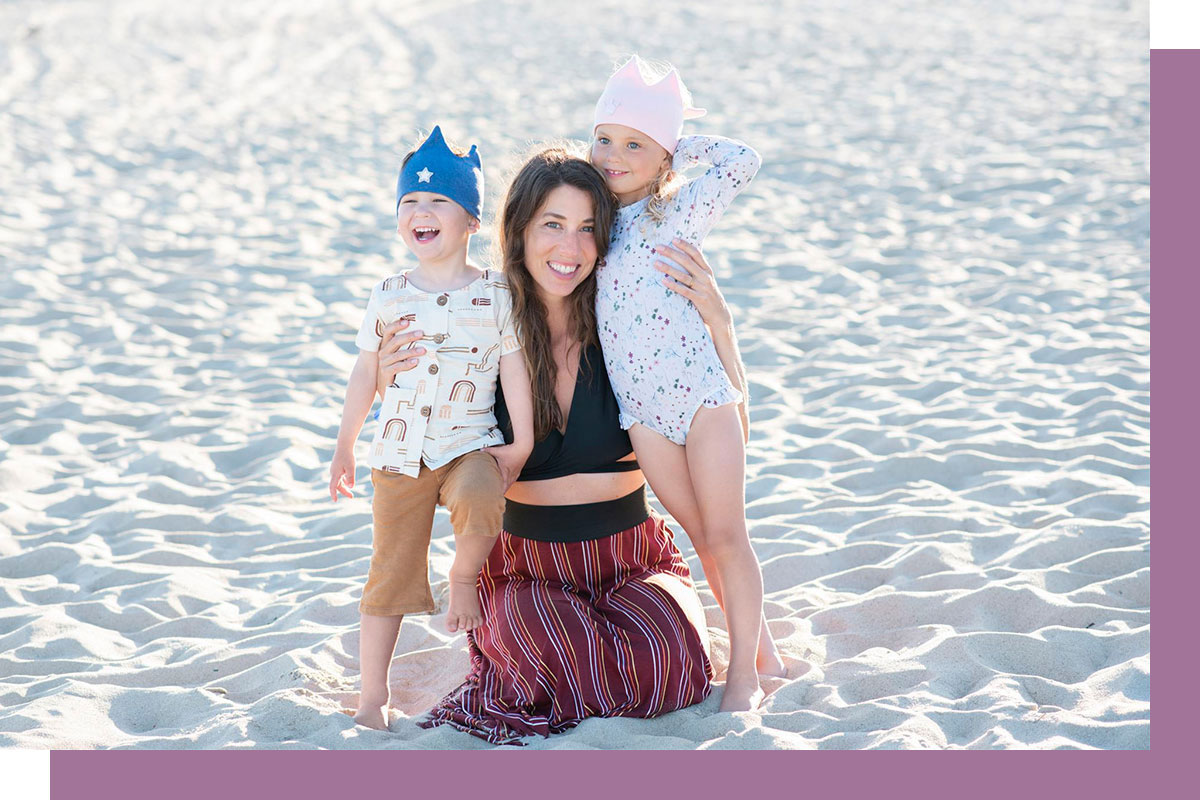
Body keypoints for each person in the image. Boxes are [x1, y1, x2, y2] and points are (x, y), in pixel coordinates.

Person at [375, 146, 753, 744]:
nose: (570, 249)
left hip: (631, 557)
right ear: (519, 229)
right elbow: (415, 426)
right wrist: (383, 375)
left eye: (587, 229)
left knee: (670, 661)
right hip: (529, 565)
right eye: (553, 224)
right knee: (549, 653)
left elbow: (721, 422)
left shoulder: (626, 320)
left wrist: (720, 325)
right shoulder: (480, 321)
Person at [588, 56, 783, 710]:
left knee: (729, 535)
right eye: (604, 139)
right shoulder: (587, 220)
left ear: (665, 157)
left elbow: (743, 160)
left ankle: (748, 676)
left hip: (702, 397)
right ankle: (765, 651)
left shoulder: (680, 210)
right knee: (701, 538)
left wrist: (674, 144)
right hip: (642, 412)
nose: (614, 155)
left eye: (634, 144)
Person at [328, 125, 534, 731]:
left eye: (440, 201)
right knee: (388, 572)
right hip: (397, 453)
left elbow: (514, 365)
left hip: (467, 442)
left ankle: (463, 576)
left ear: (471, 220)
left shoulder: (497, 292)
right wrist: (345, 444)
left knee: (479, 498)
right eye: (410, 203)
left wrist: (519, 440)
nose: (422, 212)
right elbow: (366, 372)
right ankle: (372, 697)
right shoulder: (389, 293)